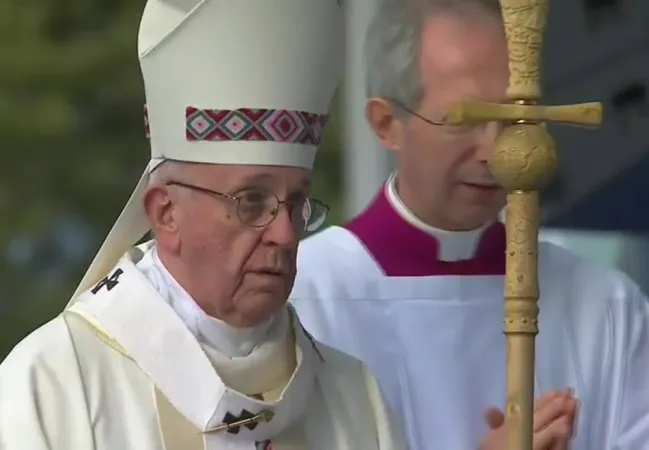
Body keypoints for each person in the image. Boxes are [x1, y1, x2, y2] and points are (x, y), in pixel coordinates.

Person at [0, 0, 407, 448]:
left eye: (296, 202)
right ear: (165, 213)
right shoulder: (56, 384)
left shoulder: (350, 392)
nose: (286, 233)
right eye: (252, 201)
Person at [290, 0, 649, 449]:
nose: (494, 151)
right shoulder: (302, 297)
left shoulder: (604, 305)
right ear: (387, 124)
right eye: (465, 121)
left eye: (512, 118)